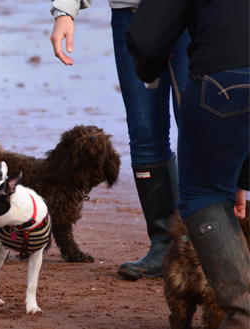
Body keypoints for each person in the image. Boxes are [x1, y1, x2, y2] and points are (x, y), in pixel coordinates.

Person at [126, 0, 250, 327]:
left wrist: (147, 71)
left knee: (204, 196)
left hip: (223, 76)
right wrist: (240, 180)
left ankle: (241, 315)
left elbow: (148, 38)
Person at [49, 0, 191, 279]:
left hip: (193, 12)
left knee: (198, 127)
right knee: (144, 133)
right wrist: (65, 10)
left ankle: (201, 244)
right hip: (131, 12)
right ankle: (163, 245)